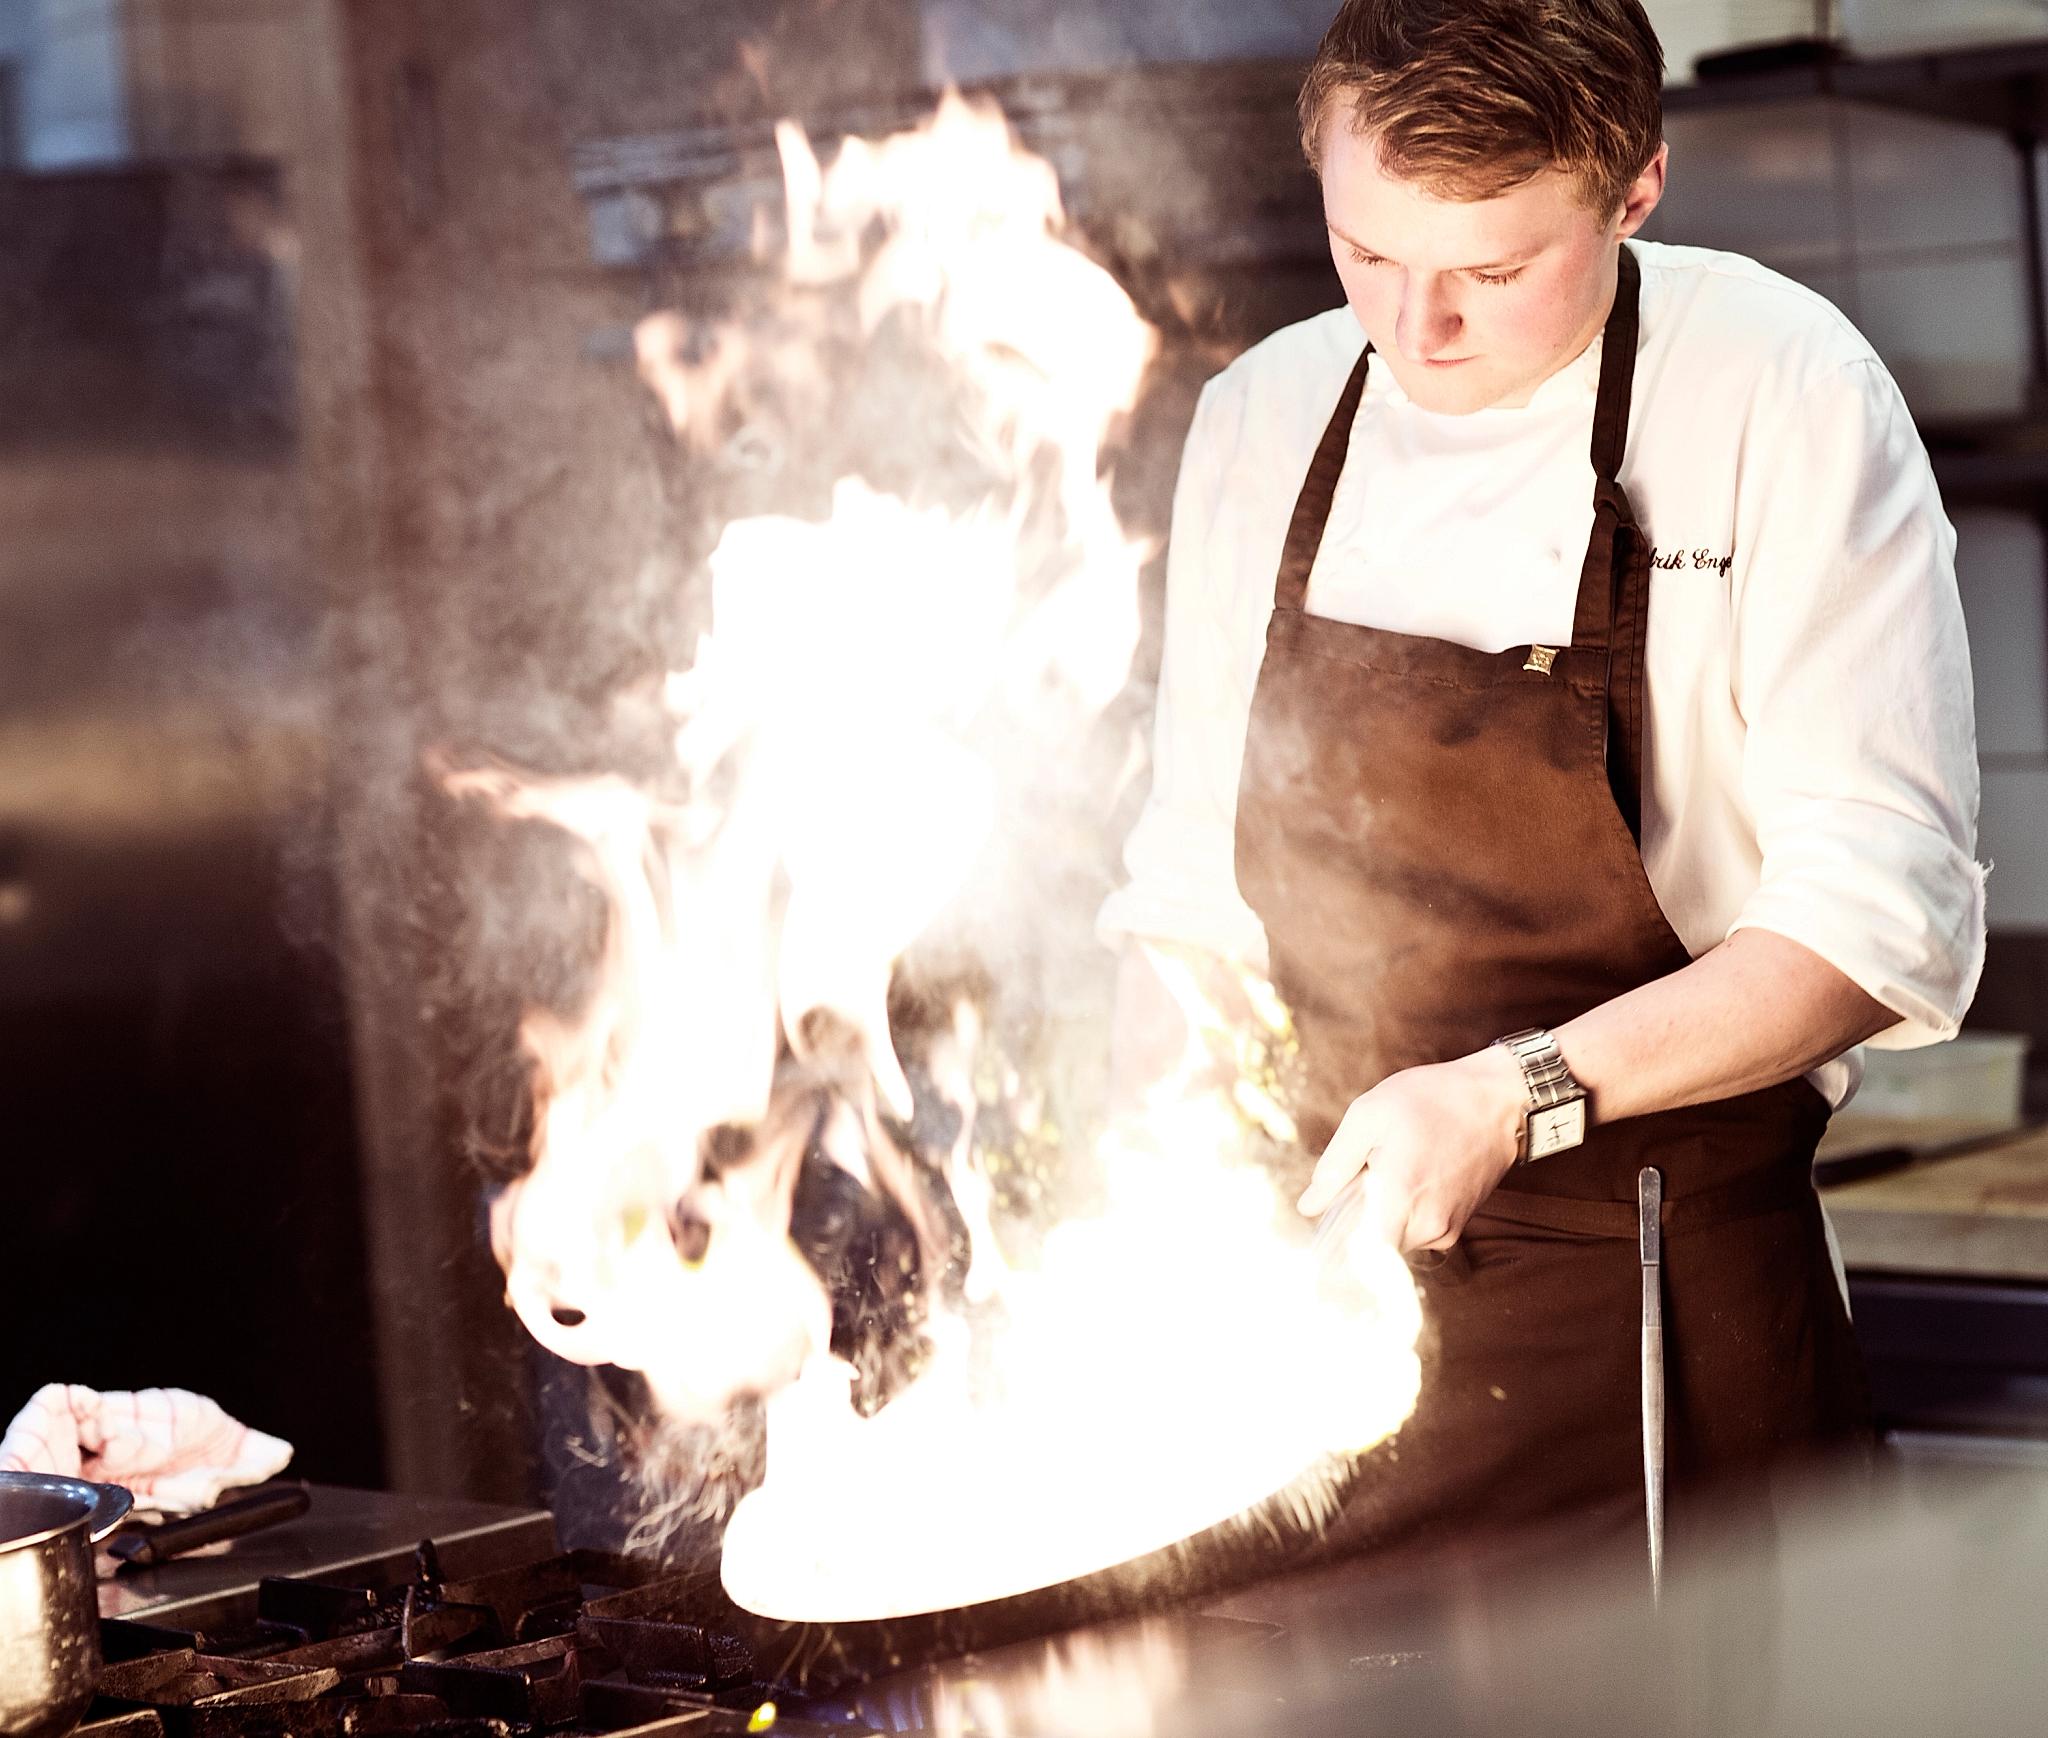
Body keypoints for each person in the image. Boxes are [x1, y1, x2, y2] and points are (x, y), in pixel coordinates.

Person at [1100, 0, 1984, 1562]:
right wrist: (1139, 1187)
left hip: (1665, 1340)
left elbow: (1873, 925)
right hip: (1320, 1334)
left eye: (1492, 273)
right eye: (1364, 250)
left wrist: (1516, 1093)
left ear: (1634, 190)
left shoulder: (1782, 391)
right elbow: (1193, 909)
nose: (1413, 326)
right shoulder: (1263, 419)